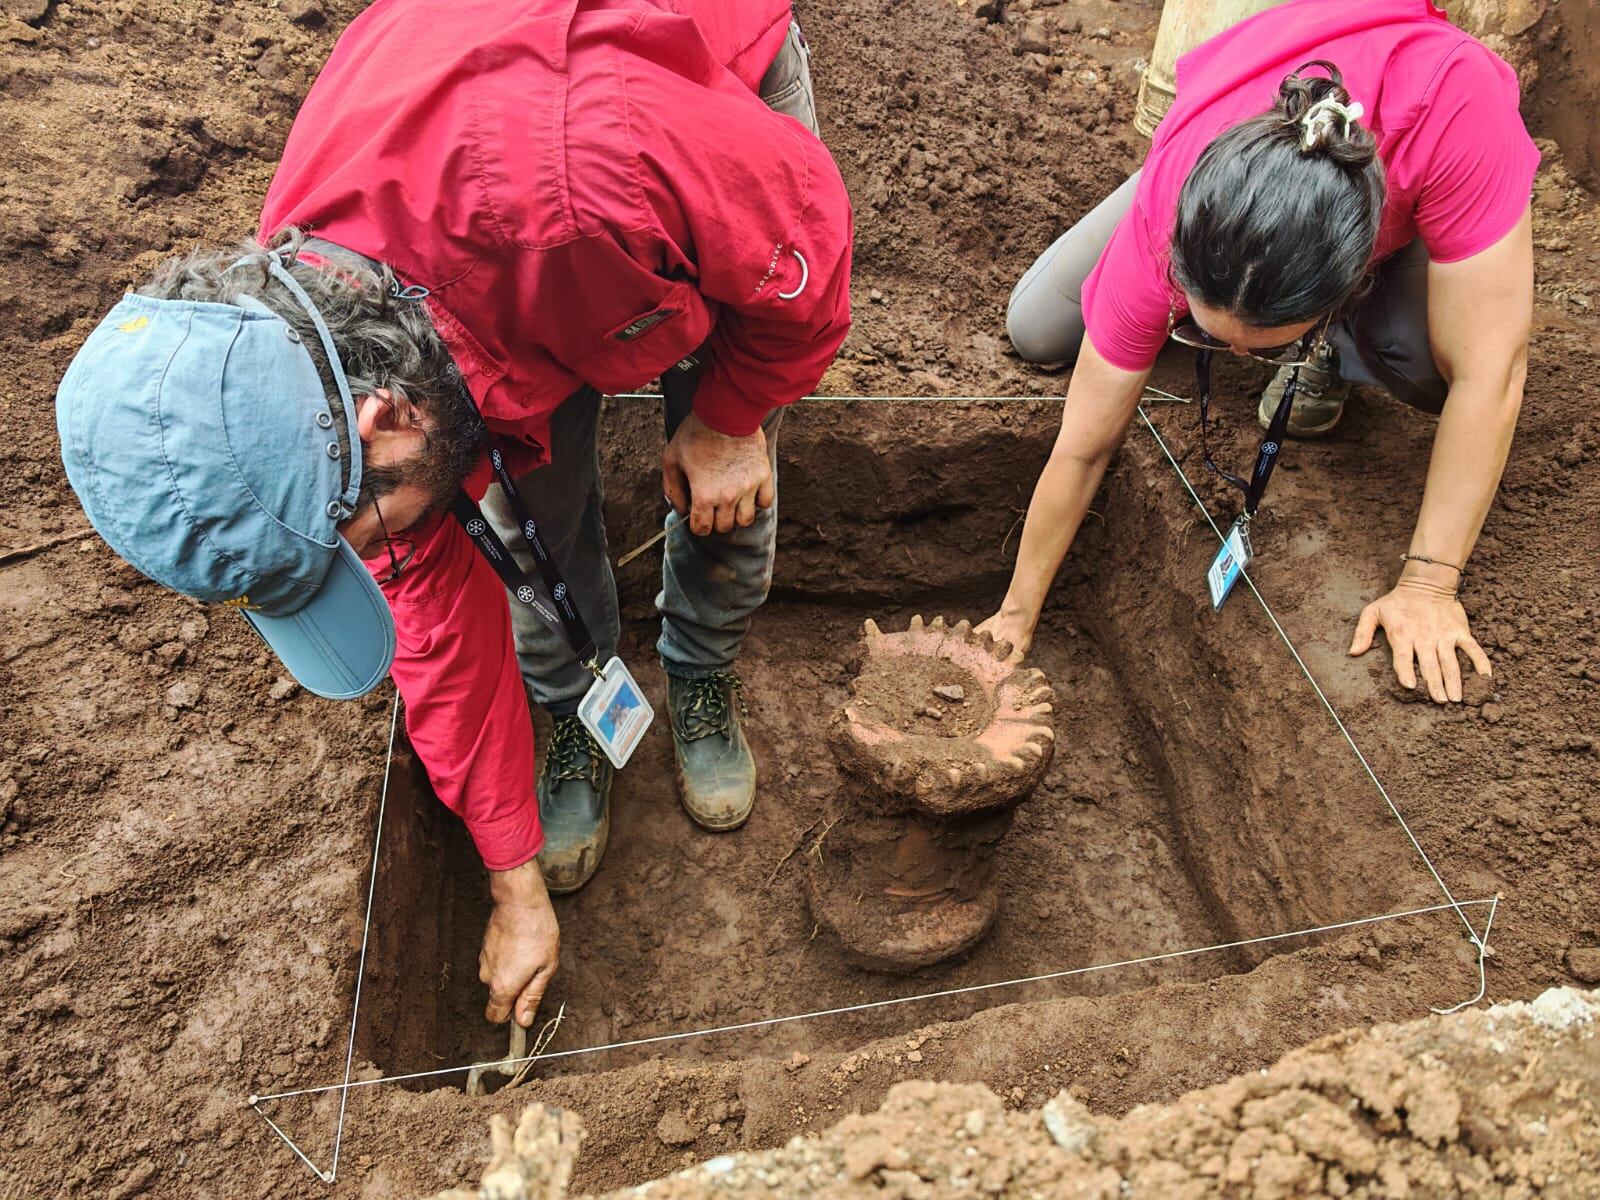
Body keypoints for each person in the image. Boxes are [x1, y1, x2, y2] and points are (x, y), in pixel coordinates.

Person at [55, 0, 851, 1031]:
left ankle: (702, 672)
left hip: (683, 122)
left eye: (371, 541)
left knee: (725, 469)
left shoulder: (594, 172)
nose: (386, 557)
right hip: (508, 257)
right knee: (533, 513)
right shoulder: (295, 382)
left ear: (384, 422)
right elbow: (432, 622)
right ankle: (580, 712)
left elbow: (807, 241)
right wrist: (511, 882)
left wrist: (734, 417)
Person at [991, 0, 1536, 706]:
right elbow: (1084, 446)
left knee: (1429, 364)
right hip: (1212, 148)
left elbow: (1494, 370)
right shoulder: (1168, 219)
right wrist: (1015, 613)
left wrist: (1429, 584)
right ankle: (1211, 208)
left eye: (1267, 346)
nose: (1234, 359)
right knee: (1037, 326)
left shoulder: (1454, 101)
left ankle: (1341, 355)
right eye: (1205, 330)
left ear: (1347, 286)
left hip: (1413, 163)